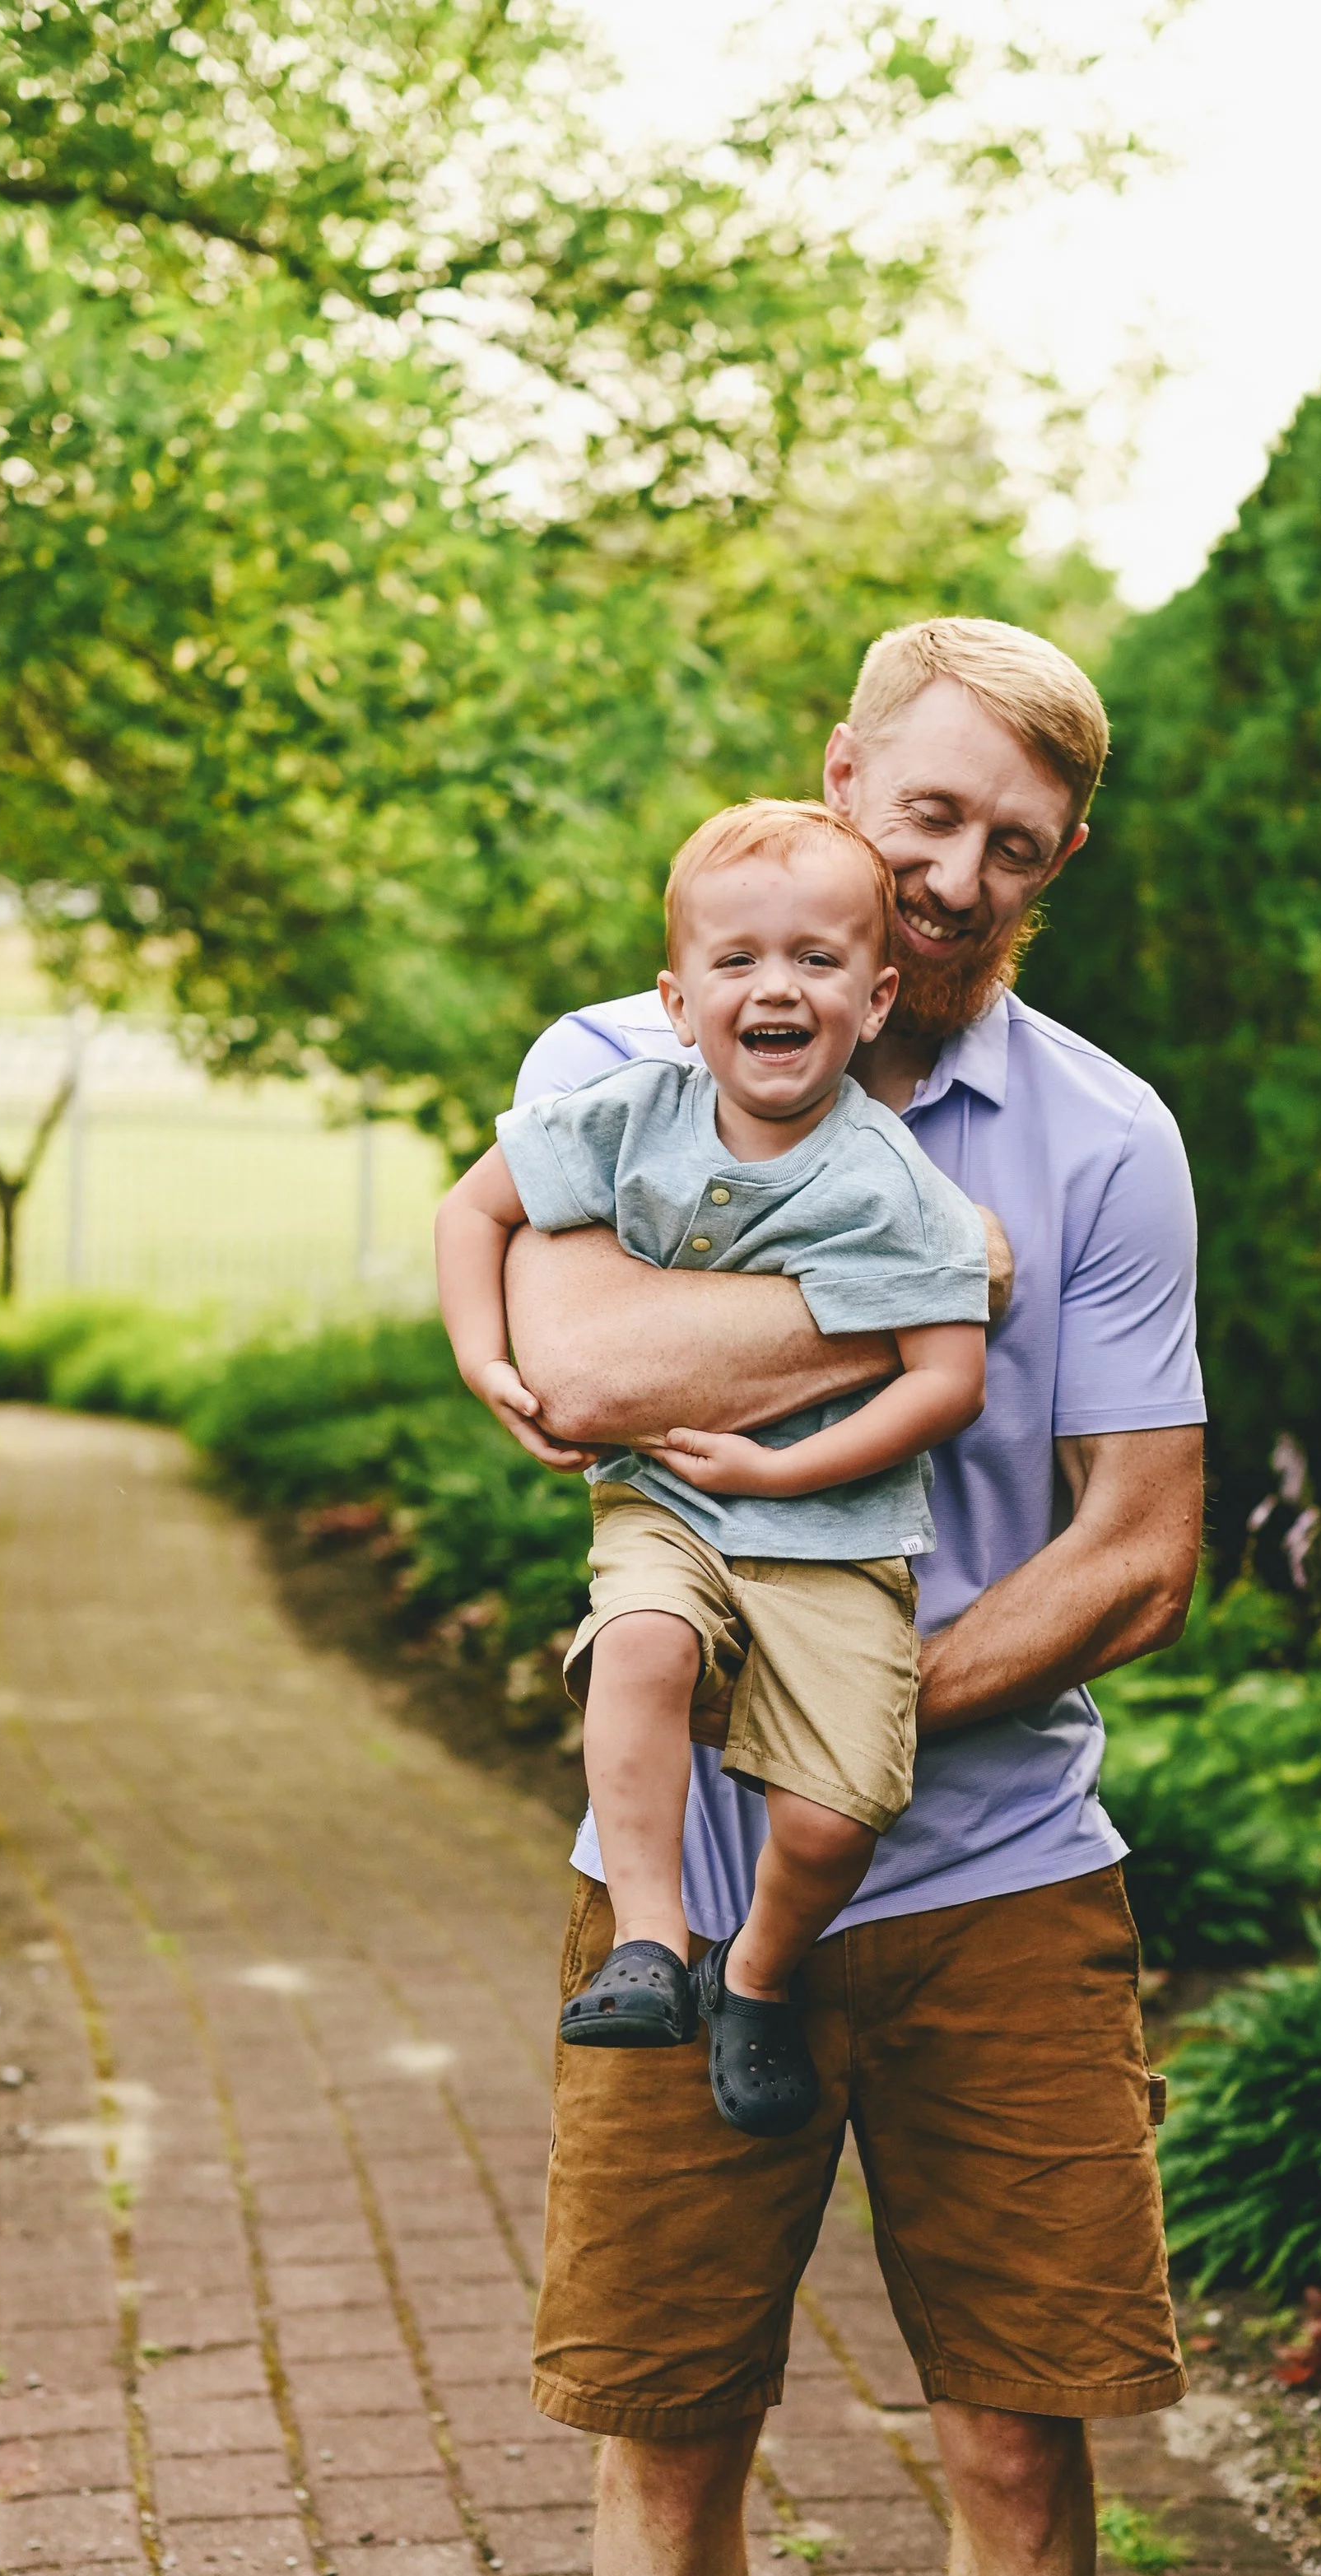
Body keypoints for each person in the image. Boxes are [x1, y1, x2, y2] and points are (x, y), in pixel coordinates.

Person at [500, 619, 1206, 2576]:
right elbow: (574, 1369)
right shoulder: (624, 1053)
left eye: (1013, 845)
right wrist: (898, 1307)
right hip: (678, 1882)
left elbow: (1136, 1541)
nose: (953, 876)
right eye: (922, 817)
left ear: (1057, 869)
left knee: (1021, 2424)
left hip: (999, 1863)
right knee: (668, 2417)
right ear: (839, 781)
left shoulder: (1103, 1135)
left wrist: (875, 1717)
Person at [435, 799, 991, 2136]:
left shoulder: (892, 1182)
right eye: (738, 963)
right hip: (669, 1503)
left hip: (840, 1532)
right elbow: (476, 1207)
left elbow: (945, 1378)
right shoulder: (627, 1118)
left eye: (815, 960)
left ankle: (756, 1974)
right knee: (636, 1645)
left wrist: (787, 1474)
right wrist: (480, 1355)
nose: (776, 987)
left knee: (834, 1816)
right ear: (680, 1002)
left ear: (876, 993)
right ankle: (648, 1942)